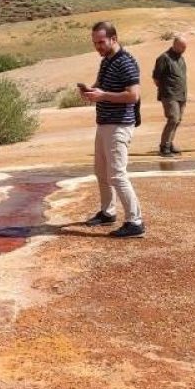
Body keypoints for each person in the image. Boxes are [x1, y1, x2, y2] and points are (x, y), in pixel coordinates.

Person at [80, 20, 145, 238]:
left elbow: (133, 94)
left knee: (117, 175)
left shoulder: (125, 62)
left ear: (113, 39)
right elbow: (103, 87)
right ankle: (108, 213)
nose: (97, 46)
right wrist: (92, 92)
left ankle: (135, 221)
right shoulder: (107, 60)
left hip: (119, 125)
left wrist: (103, 96)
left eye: (101, 42)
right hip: (105, 123)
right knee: (101, 172)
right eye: (95, 43)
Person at [152, 36, 188, 157]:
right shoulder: (164, 58)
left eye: (185, 47)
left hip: (181, 94)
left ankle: (170, 143)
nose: (184, 49)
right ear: (175, 44)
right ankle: (164, 147)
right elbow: (156, 78)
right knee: (173, 118)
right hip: (169, 94)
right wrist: (166, 90)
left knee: (178, 120)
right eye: (182, 47)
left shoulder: (181, 58)